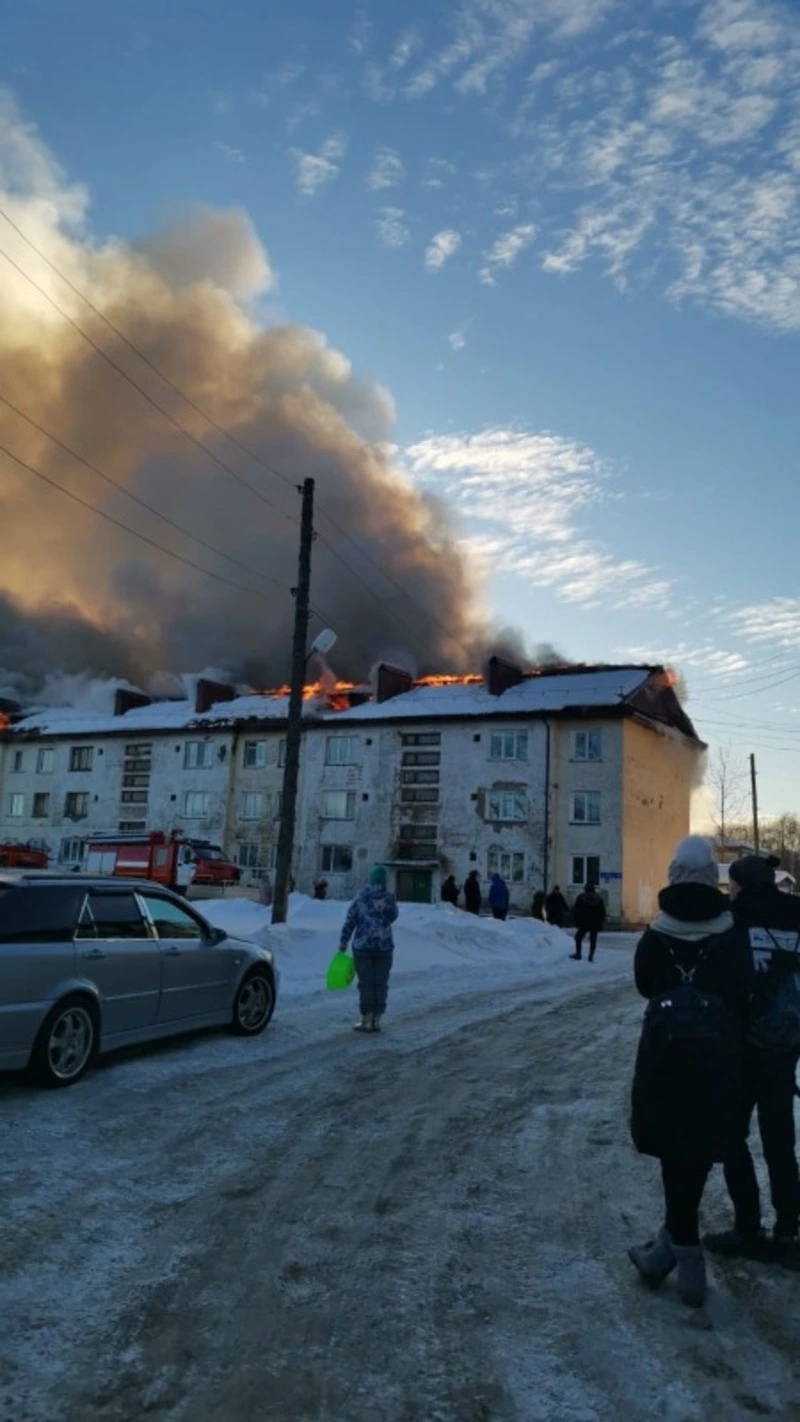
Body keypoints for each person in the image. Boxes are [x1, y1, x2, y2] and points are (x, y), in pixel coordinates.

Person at [628, 836, 752, 1307]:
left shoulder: (658, 932)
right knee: (695, 1153)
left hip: (665, 1060)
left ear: (676, 874)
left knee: (672, 1152)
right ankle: (666, 1253)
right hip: (718, 1061)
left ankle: (688, 1263)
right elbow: (744, 988)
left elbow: (644, 985)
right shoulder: (730, 929)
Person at [706, 854, 800, 1270]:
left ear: (740, 885)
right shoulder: (797, 917)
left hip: (742, 1050)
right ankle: (788, 1230)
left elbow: (721, 986)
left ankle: (748, 1227)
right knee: (780, 1140)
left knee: (730, 1135)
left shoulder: (731, 923)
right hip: (786, 1047)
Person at [339, 865, 399, 1033]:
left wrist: (344, 940)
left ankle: (366, 1018)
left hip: (362, 947)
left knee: (366, 984)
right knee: (380, 983)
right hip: (384, 947)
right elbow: (393, 916)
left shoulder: (361, 897)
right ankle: (377, 1020)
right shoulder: (389, 898)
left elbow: (351, 920)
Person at [571, 882, 606, 961]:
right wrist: (601, 922)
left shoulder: (581, 897)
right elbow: (602, 912)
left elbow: (576, 911)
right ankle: (591, 956)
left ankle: (578, 954)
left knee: (578, 937)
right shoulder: (598, 899)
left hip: (584, 922)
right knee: (593, 940)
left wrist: (577, 921)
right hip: (595, 923)